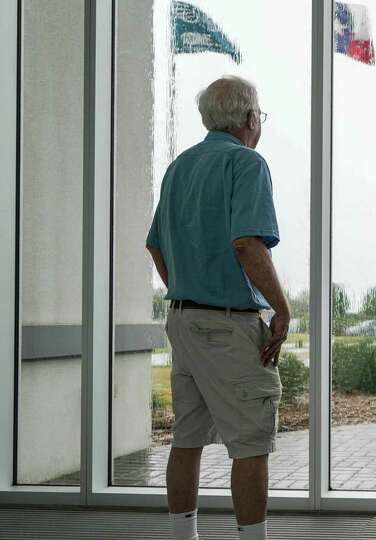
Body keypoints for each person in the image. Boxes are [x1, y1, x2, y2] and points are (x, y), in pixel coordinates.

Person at [146, 76, 289, 540]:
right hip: (227, 327)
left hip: (183, 321)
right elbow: (248, 244)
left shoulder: (179, 167)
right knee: (249, 444)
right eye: (259, 117)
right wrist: (281, 311)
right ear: (250, 119)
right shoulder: (246, 163)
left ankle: (182, 536)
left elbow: (156, 248)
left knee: (186, 439)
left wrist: (189, 290)